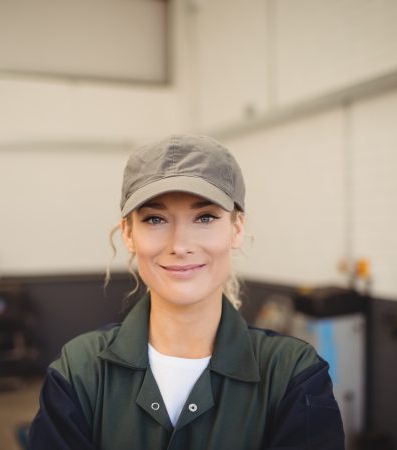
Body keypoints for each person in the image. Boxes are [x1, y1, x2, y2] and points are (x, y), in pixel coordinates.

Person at [26, 134, 344, 450]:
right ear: (128, 233)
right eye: (155, 219)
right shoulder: (80, 372)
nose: (179, 245)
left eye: (205, 217)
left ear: (236, 228)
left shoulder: (292, 374)